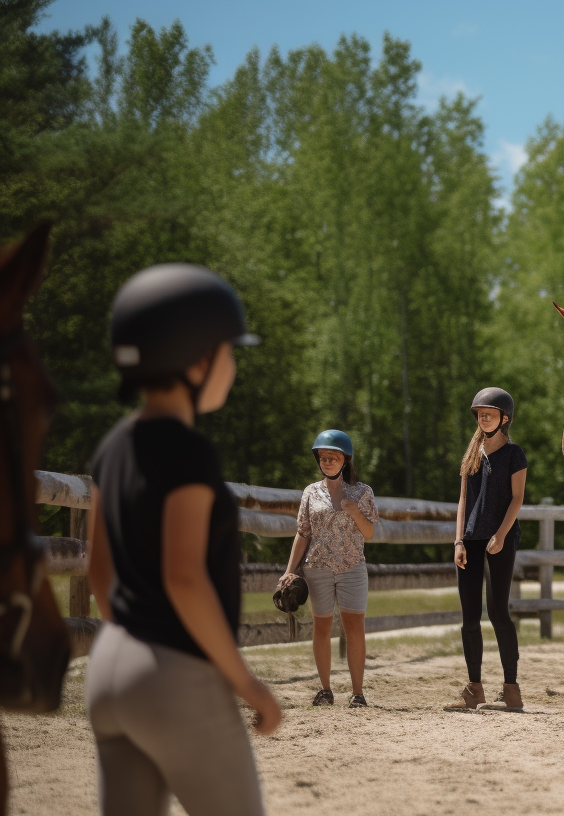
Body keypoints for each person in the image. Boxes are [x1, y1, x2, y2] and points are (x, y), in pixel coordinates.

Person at [85, 263, 279, 816]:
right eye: (229, 351)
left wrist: (129, 644)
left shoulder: (113, 446)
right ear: (197, 359)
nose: (234, 364)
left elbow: (98, 568)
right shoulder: (188, 452)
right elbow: (184, 576)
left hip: (109, 669)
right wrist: (247, 685)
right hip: (175, 677)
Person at [276, 430, 379, 707]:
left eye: (333, 458)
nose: (327, 462)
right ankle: (325, 690)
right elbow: (303, 533)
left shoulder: (362, 492)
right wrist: (290, 570)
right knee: (321, 627)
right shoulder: (310, 492)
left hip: (352, 567)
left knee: (354, 627)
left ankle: (357, 693)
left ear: (345, 460)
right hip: (317, 567)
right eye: (323, 458)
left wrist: (355, 511)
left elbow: (369, 533)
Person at [445, 387, 528, 711]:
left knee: (498, 613)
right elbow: (464, 500)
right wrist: (458, 540)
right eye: (480, 413)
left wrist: (502, 535)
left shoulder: (514, 454)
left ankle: (511, 689)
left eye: (489, 413)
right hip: (471, 541)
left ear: (504, 418)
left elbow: (517, 498)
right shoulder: (472, 454)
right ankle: (474, 689)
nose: (483, 417)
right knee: (469, 617)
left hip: (500, 541)